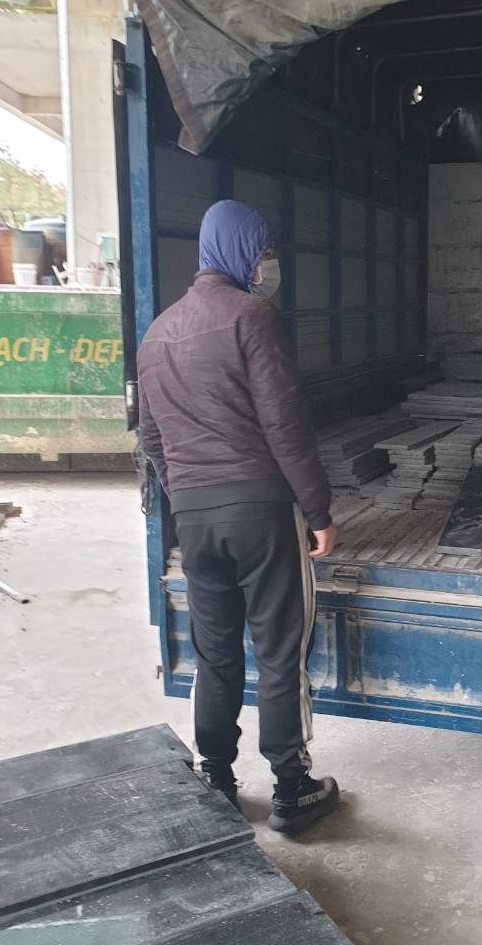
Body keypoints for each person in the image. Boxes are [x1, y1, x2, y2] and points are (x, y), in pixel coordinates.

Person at [137, 200, 339, 833]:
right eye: (264, 251)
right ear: (243, 250)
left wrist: (185, 493)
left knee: (216, 653)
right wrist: (317, 508)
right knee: (279, 652)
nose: (266, 263)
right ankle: (292, 790)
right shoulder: (251, 316)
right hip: (259, 510)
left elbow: (150, 437)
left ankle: (217, 780)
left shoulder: (156, 332)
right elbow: (284, 422)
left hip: (194, 518)